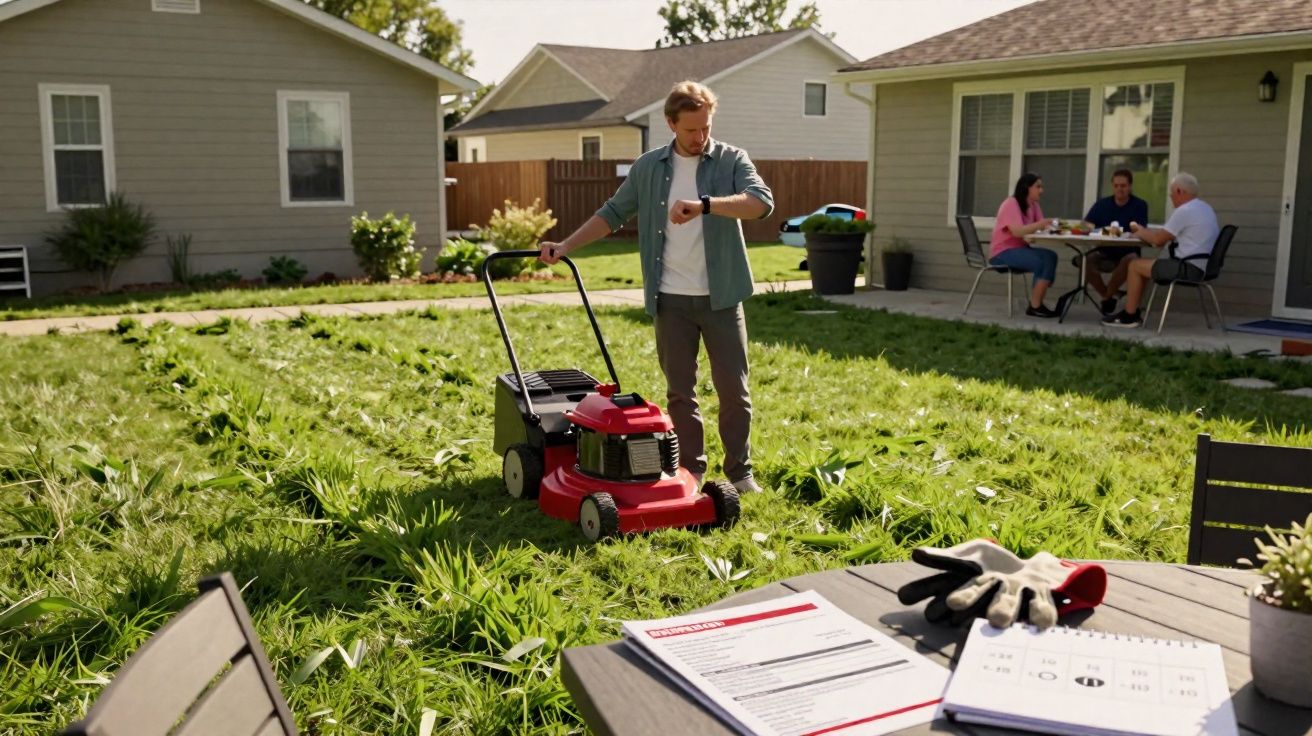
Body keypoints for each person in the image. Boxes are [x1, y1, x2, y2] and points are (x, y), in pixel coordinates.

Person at [538, 81, 773, 494]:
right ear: (671, 123)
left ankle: (739, 471)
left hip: (722, 297)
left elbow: (760, 203)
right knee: (681, 394)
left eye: (706, 127)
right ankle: (690, 470)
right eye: (691, 130)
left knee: (734, 392)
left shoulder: (731, 159)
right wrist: (565, 245)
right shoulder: (649, 167)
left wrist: (706, 205)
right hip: (670, 300)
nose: (700, 137)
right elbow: (612, 214)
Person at [1102, 172, 1219, 328]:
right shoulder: (1205, 208)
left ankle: (1129, 316)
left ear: (1179, 191)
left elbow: (1157, 241)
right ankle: (1134, 310)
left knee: (1134, 265)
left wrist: (1137, 230)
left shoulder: (1184, 211)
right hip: (1202, 267)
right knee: (1142, 265)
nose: (1171, 198)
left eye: (1171, 194)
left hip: (1185, 267)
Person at [989, 173, 1060, 318]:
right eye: (1038, 186)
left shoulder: (1034, 205)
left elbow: (1039, 228)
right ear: (1027, 188)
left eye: (1041, 187)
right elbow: (1016, 231)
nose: (1042, 190)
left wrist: (1052, 227)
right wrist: (1039, 225)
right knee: (1042, 262)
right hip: (1002, 253)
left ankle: (1038, 298)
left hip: (1020, 249)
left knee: (1051, 256)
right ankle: (1035, 306)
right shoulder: (1011, 203)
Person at [1079, 169, 1149, 315]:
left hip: (1128, 252)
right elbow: (1085, 225)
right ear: (1112, 186)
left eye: (1123, 186)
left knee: (1131, 260)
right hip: (1105, 251)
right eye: (1116, 186)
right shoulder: (1102, 204)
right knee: (1084, 260)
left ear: (1130, 186)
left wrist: (1118, 232)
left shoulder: (1140, 205)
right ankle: (1110, 295)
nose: (1119, 189)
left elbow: (1139, 230)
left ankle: (1106, 297)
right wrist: (1089, 227)